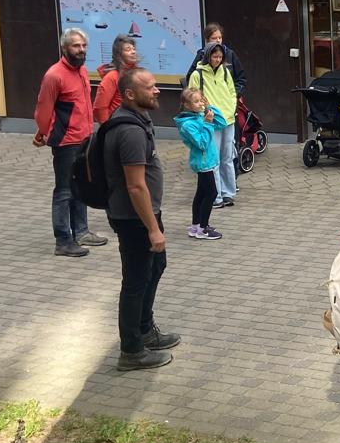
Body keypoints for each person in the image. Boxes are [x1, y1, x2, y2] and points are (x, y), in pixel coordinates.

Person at [104, 67, 181, 371]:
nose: (157, 90)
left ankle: (145, 329)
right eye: (149, 87)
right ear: (130, 94)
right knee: (135, 281)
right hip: (134, 219)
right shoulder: (130, 131)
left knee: (155, 266)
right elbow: (135, 186)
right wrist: (153, 228)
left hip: (144, 215)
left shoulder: (138, 119)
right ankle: (132, 350)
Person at [32, 28, 109, 258]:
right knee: (64, 191)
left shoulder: (82, 70)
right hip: (66, 142)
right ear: (64, 48)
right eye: (76, 46)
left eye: (84, 45)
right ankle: (63, 241)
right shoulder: (54, 75)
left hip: (85, 138)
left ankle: (81, 232)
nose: (81, 50)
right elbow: (43, 108)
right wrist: (42, 132)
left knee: (80, 186)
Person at [187, 42, 239, 208]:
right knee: (213, 159)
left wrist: (231, 107)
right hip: (210, 120)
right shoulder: (198, 74)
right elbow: (193, 97)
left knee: (227, 157)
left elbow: (232, 92)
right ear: (208, 56)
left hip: (228, 119)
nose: (218, 60)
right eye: (215, 56)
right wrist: (205, 112)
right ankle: (216, 197)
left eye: (220, 57)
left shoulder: (225, 71)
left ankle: (228, 193)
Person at [173, 88, 223, 241]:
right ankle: (203, 229)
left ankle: (196, 226)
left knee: (201, 194)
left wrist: (209, 108)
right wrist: (207, 123)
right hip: (203, 163)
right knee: (211, 193)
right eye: (196, 101)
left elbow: (222, 122)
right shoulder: (188, 125)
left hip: (208, 161)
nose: (200, 103)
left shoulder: (200, 115)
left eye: (201, 100)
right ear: (187, 105)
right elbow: (202, 143)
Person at [183, 20, 247, 98]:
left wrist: (233, 95)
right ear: (207, 40)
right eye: (214, 38)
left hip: (226, 100)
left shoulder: (230, 54)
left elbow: (241, 79)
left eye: (220, 37)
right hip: (207, 100)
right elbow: (190, 78)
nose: (218, 40)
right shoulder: (201, 55)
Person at [93, 34, 140, 124]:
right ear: (119, 54)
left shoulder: (135, 73)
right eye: (128, 49)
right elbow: (99, 108)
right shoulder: (112, 76)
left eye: (133, 49)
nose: (133, 52)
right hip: (118, 125)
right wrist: (108, 127)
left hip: (135, 123)